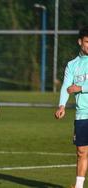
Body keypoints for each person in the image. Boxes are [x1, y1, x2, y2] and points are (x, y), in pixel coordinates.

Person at [55, 26, 88, 188]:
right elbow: (66, 86)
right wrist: (61, 105)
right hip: (82, 114)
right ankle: (79, 186)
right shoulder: (72, 65)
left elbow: (75, 87)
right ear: (80, 42)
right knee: (81, 151)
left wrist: (81, 87)